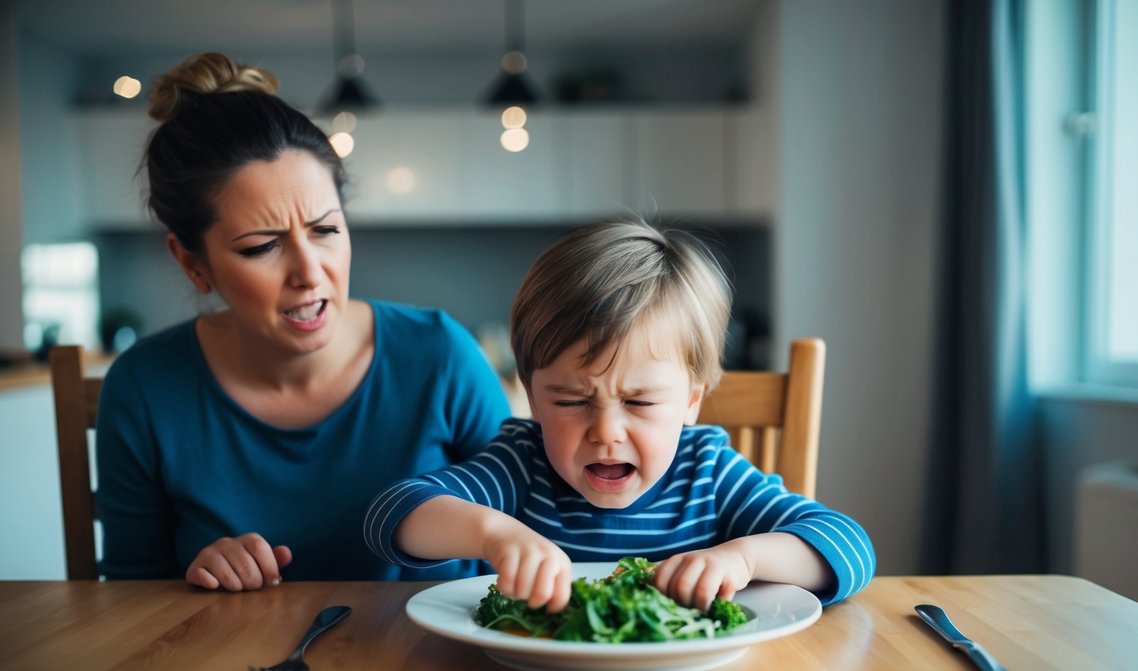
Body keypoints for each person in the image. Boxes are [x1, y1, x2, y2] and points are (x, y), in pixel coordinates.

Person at [96, 53, 510, 589]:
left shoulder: (441, 356)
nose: (310, 273)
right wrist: (193, 577)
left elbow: (538, 528)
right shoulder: (143, 388)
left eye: (325, 230)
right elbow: (130, 596)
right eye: (262, 246)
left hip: (434, 665)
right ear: (192, 262)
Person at [363, 219, 875, 612]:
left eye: (640, 402)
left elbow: (849, 547)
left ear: (692, 399)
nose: (606, 432)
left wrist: (742, 558)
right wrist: (495, 534)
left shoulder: (708, 473)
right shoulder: (523, 464)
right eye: (570, 401)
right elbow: (392, 513)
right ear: (534, 398)